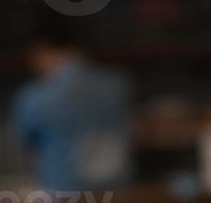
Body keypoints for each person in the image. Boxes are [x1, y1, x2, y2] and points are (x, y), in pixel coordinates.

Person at [13, 14, 133, 193]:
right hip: (124, 201)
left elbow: (28, 149)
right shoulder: (119, 85)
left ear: (41, 51)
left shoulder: (35, 98)